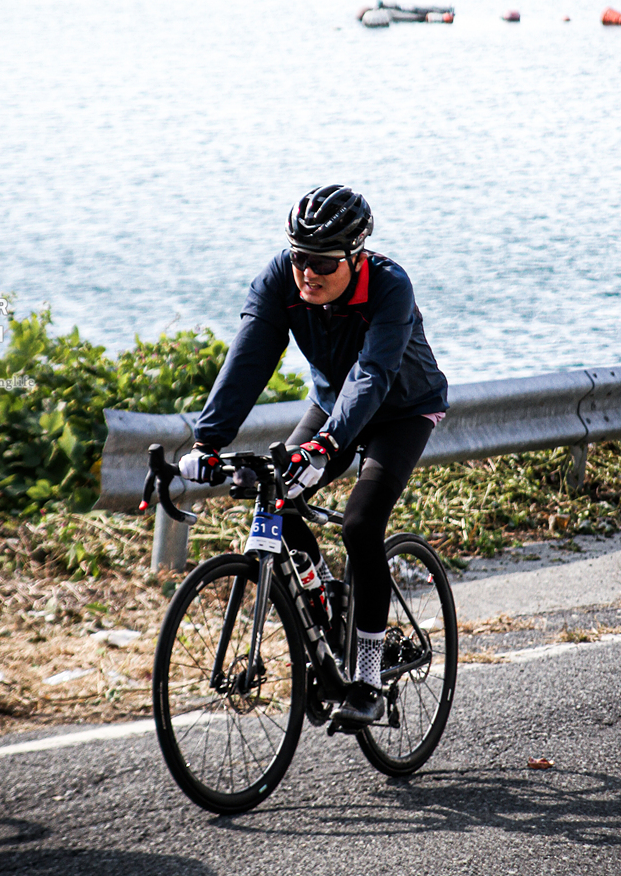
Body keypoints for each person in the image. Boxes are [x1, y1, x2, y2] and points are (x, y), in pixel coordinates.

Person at [178, 184, 448, 730]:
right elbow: (249, 357)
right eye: (300, 257)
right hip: (330, 405)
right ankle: (329, 605)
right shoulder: (281, 279)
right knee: (275, 498)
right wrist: (207, 441)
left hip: (402, 411)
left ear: (355, 256)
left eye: (323, 262)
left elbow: (372, 374)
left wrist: (325, 446)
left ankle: (368, 679)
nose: (308, 272)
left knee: (360, 524)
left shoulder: (389, 285)